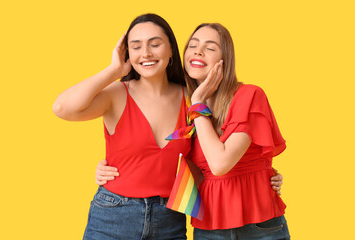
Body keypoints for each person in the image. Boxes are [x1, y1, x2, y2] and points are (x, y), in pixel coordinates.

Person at [95, 22, 289, 239]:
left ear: (225, 59)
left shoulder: (248, 95)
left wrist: (197, 102)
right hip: (209, 227)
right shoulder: (186, 105)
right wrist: (111, 168)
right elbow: (179, 167)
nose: (198, 51)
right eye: (193, 45)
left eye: (211, 47)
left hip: (257, 224)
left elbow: (219, 164)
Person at [53, 13, 192, 240]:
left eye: (155, 44)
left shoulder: (191, 98)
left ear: (171, 50)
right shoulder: (118, 94)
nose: (145, 53)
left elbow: (210, 155)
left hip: (170, 220)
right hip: (113, 216)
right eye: (136, 47)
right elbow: (62, 108)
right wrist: (113, 71)